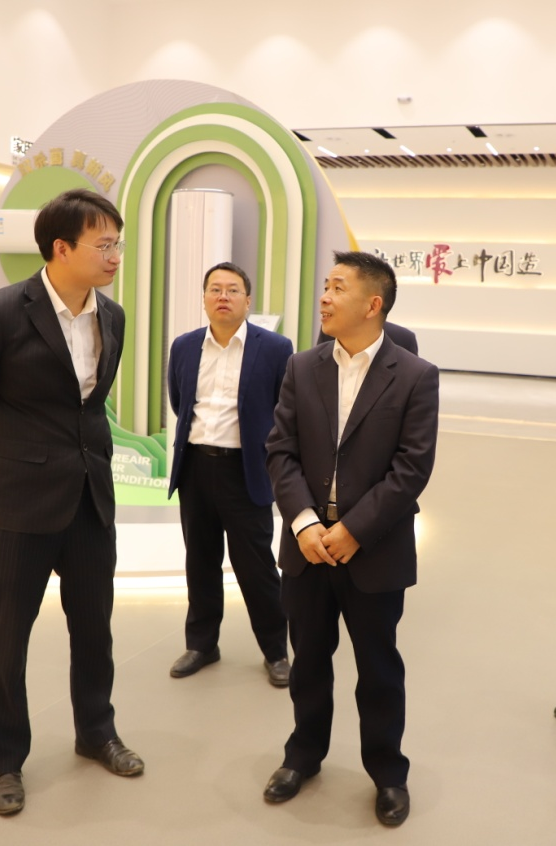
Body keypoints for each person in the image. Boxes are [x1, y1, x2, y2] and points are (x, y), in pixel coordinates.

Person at [0, 188, 142, 816]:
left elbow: (90, 405)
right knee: (7, 637)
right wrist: (9, 462)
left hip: (90, 498)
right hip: (20, 505)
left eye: (117, 243)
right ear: (61, 248)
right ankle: (6, 759)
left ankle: (97, 732)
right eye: (103, 244)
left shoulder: (112, 316)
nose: (115, 255)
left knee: (95, 627)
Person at [261, 250, 439, 827]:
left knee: (379, 668)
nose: (325, 297)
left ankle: (388, 772)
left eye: (338, 287)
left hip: (374, 550)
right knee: (309, 661)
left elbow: (411, 468)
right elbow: (280, 450)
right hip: (308, 549)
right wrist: (305, 522)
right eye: (325, 286)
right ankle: (303, 755)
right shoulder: (302, 367)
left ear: (373, 304)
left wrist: (354, 530)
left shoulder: (415, 375)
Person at [166, 262, 294, 687]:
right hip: (195, 468)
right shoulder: (184, 346)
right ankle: (202, 644)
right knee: (200, 561)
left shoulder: (275, 348)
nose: (223, 296)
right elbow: (180, 401)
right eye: (215, 289)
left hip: (245, 470)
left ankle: (276, 651)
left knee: (256, 567)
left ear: (247, 300)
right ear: (204, 298)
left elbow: (284, 409)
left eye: (233, 290)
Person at [318, 320, 418, 354]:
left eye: (338, 289)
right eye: (326, 288)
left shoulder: (402, 339)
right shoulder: (330, 333)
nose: (325, 298)